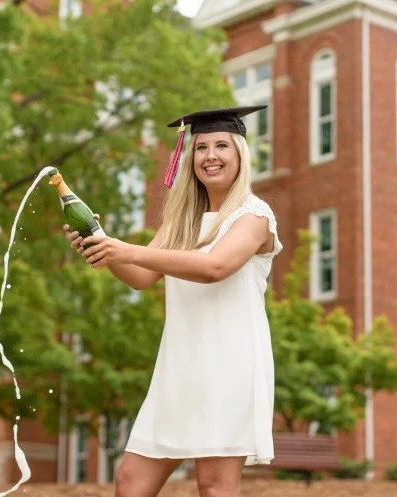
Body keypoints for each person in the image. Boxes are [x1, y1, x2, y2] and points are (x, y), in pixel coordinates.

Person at [63, 106, 283, 497]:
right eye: (201, 148)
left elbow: (214, 267)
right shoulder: (181, 220)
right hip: (179, 366)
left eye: (221, 146)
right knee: (130, 480)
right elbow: (140, 277)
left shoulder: (254, 215)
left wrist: (125, 249)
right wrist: (102, 245)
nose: (210, 156)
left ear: (239, 154)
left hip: (228, 366)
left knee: (213, 487)